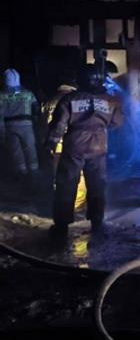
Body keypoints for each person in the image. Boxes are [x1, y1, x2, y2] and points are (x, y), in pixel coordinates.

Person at [45, 64, 123, 242]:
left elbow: (58, 126)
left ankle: (61, 226)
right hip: (99, 146)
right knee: (97, 185)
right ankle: (97, 223)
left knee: (66, 185)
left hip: (74, 146)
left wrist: (51, 143)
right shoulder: (111, 101)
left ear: (79, 79)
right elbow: (117, 123)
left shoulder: (69, 99)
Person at [0, 69, 40, 183]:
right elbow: (36, 108)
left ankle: (22, 177)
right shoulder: (28, 93)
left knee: (16, 151)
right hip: (27, 126)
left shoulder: (1, 96)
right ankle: (35, 176)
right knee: (30, 149)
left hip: (9, 128)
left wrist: (1, 133)